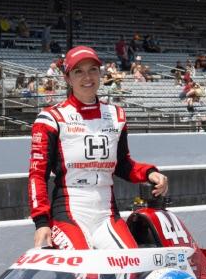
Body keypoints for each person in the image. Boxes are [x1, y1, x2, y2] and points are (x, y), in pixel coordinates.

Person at [27, 46, 169, 254]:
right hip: (69, 214)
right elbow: (37, 175)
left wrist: (150, 172)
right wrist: (41, 222)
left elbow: (122, 164)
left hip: (106, 214)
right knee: (87, 274)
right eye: (78, 71)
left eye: (93, 69)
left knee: (131, 268)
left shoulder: (116, 115)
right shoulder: (50, 118)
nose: (87, 77)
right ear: (67, 78)